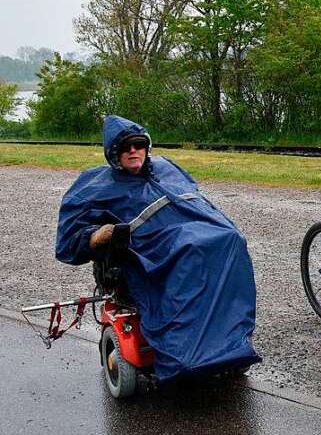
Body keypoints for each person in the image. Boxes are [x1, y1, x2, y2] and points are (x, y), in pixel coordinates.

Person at [55, 115, 261, 381]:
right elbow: (67, 243)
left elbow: (197, 200)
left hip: (193, 232)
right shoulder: (95, 185)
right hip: (150, 249)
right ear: (113, 153)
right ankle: (185, 355)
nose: (133, 151)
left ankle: (231, 342)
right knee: (191, 250)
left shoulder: (166, 168)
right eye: (126, 147)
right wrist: (96, 236)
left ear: (147, 146)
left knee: (231, 240)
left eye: (138, 144)